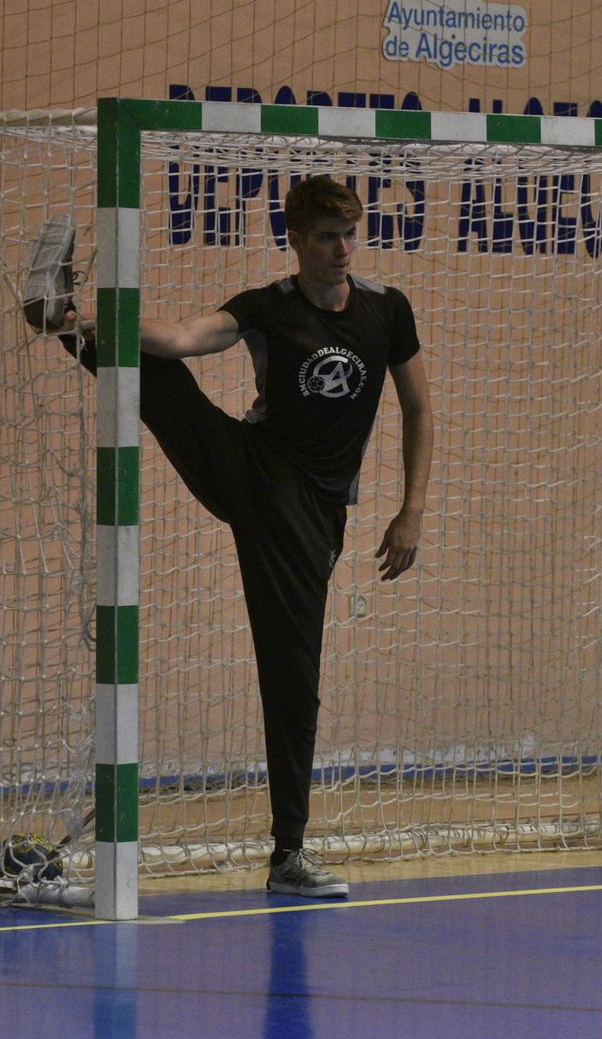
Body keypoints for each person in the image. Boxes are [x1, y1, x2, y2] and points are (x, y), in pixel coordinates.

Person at [23, 176, 434, 898]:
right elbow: (183, 337)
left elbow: (418, 408)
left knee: (293, 680)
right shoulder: (266, 309)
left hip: (311, 516)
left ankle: (288, 855)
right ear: (297, 242)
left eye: (351, 234)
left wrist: (413, 510)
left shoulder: (386, 312)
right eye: (328, 238)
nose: (343, 250)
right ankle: (64, 320)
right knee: (168, 379)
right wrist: (94, 321)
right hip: (253, 470)